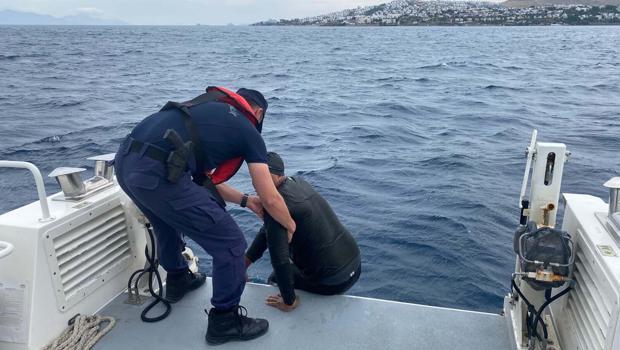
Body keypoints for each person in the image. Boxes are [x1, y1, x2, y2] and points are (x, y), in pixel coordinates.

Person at [114, 87, 296, 345]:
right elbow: (270, 197)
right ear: (258, 112)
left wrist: (245, 201)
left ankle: (178, 279)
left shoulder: (206, 111)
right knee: (231, 243)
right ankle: (224, 321)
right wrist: (289, 224)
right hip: (156, 173)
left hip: (125, 163)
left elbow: (205, 181)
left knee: (163, 222)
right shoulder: (247, 128)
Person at [245, 152, 361, 312]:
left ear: (276, 175)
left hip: (334, 282)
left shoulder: (275, 206)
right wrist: (243, 265)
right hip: (355, 264)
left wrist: (288, 301)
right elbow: (266, 233)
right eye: (254, 176)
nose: (256, 182)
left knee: (276, 277)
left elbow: (280, 260)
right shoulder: (298, 182)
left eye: (262, 176)